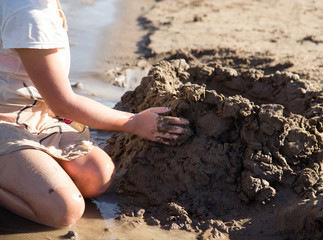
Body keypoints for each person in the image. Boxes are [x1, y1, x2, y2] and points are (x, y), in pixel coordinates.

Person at [0, 0, 189, 228]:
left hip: (36, 112)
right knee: (65, 209)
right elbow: (63, 103)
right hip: (6, 118)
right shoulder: (28, 13)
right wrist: (134, 122)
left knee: (97, 177)